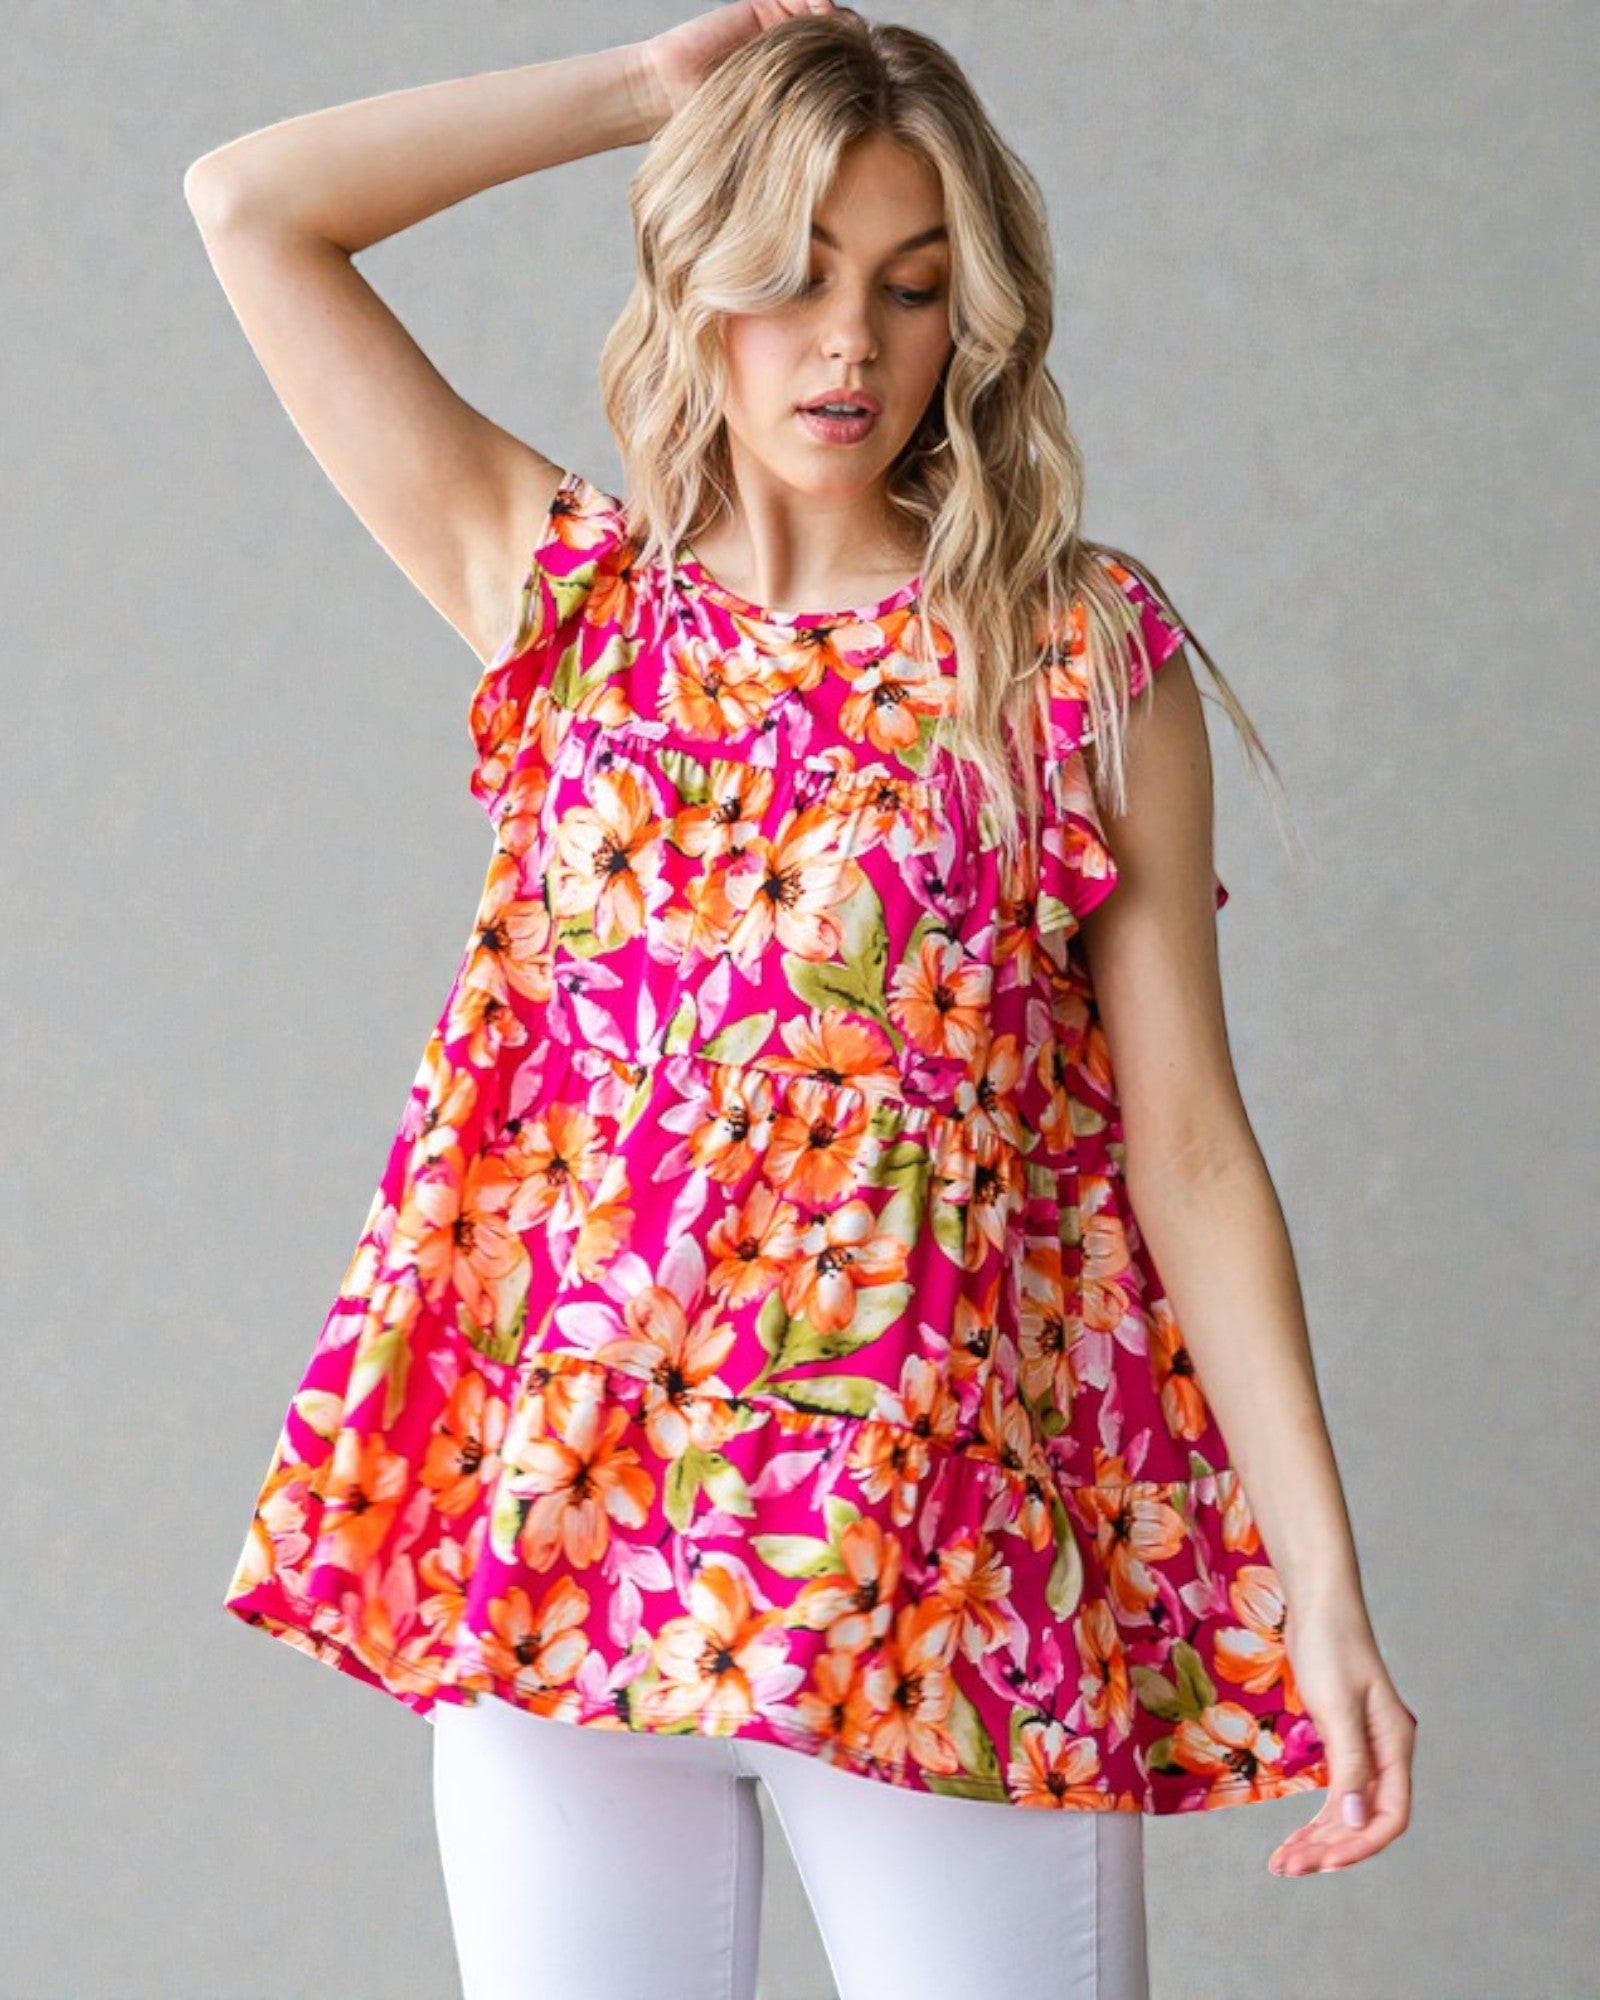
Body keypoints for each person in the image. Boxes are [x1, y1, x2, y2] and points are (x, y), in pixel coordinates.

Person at [187, 6, 1417, 1995]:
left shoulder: (1071, 649)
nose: (848, 343)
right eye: (792, 272)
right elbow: (249, 208)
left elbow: (1184, 1145)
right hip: (574, 1540)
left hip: (949, 1551)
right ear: (696, 281)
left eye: (911, 288)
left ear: (971, 323)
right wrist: (638, 98)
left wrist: (1326, 1595)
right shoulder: (562, 596)